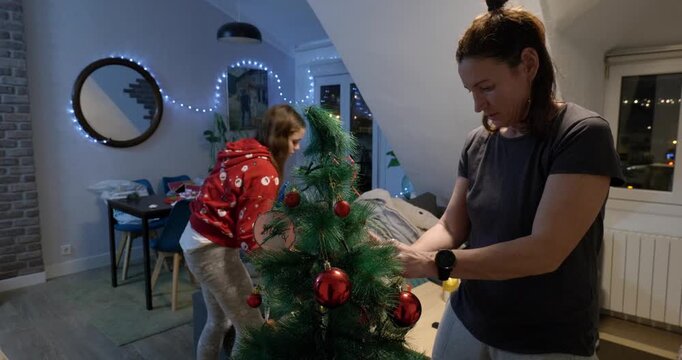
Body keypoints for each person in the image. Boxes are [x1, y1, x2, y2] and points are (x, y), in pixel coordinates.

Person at [390, 1, 624, 359]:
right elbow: (453, 225)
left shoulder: (581, 134)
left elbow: (544, 252)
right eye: (471, 90)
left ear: (529, 65)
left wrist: (437, 263)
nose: (478, 105)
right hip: (470, 314)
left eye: (487, 87)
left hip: (544, 337)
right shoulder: (477, 141)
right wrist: (408, 254)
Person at [180, 104, 306, 360]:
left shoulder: (244, 150)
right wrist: (279, 265)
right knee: (251, 331)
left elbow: (247, 216)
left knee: (219, 321)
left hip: (194, 241)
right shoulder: (264, 172)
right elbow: (251, 236)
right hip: (211, 250)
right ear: (279, 138)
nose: (297, 148)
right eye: (294, 141)